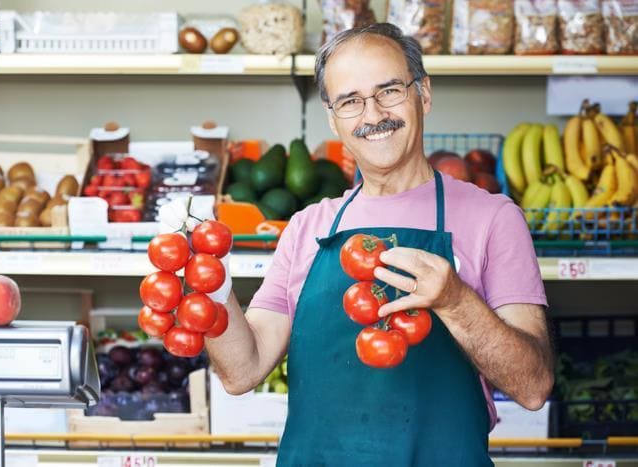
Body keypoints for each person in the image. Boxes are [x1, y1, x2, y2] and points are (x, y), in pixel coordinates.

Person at [172, 23, 553, 466]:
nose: (372, 115)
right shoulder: (307, 227)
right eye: (351, 101)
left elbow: (533, 387)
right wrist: (210, 283)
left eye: (389, 91)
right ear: (334, 119)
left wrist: (455, 301)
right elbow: (242, 371)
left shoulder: (493, 218)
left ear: (423, 94)